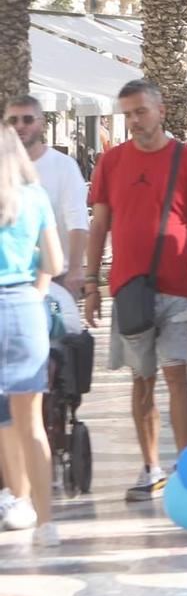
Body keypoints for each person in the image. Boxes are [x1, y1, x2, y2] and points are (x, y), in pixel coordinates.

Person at [83, 80, 187, 502]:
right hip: (128, 289)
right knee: (141, 380)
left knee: (177, 374)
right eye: (127, 113)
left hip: (177, 285)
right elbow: (99, 224)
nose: (134, 121)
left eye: (140, 111)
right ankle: (151, 468)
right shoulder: (112, 161)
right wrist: (91, 283)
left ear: (161, 111)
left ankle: (183, 465)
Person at [0, 127, 63, 546]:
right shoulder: (36, 197)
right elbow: (55, 262)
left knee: (4, 422)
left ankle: (17, 500)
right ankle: (46, 524)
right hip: (25, 308)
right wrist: (34, 296)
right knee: (32, 423)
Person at [5, 97, 86, 298]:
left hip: (59, 277)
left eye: (27, 120)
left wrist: (76, 269)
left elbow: (77, 220)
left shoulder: (64, 166)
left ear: (41, 123)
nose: (20, 126)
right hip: (12, 279)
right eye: (13, 120)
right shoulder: (3, 168)